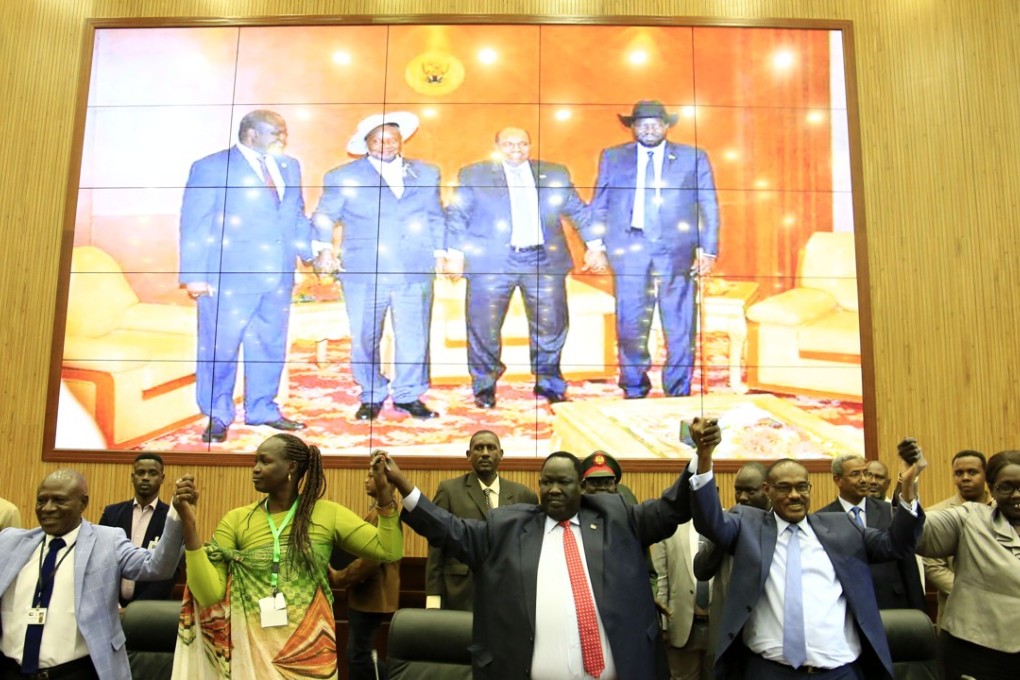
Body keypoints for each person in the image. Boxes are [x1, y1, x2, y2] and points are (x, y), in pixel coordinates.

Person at [378, 430, 711, 680]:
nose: (553, 489)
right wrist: (403, 485)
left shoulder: (619, 518)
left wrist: (702, 455)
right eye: (546, 482)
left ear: (581, 486)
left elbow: (672, 508)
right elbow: (449, 529)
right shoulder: (506, 528)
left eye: (563, 482)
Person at [690, 420, 927, 680]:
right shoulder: (749, 525)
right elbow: (709, 522)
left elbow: (896, 545)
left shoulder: (842, 528)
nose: (795, 495)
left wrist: (908, 485)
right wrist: (704, 455)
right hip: (768, 671)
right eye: (784, 488)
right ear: (767, 490)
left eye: (802, 487)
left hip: (839, 672)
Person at [171, 433, 403, 680]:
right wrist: (189, 525)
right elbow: (208, 594)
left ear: (291, 467)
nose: (256, 469)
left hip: (311, 655)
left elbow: (389, 550)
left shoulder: (327, 514)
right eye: (255, 462)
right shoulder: (237, 520)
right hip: (251, 655)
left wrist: (385, 496)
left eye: (265, 461)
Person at [179, 109, 312, 443]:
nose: (283, 139)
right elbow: (194, 223)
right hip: (227, 277)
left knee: (269, 344)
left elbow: (296, 215)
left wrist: (310, 254)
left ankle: (262, 408)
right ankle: (218, 414)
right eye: (276, 134)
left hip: (277, 275)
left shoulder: (289, 166)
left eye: (284, 133)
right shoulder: (211, 167)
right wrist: (194, 275)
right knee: (219, 347)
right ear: (252, 134)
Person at [445, 126, 598, 407]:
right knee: (484, 327)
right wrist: (454, 253)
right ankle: (485, 385)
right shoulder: (474, 174)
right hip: (492, 263)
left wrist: (595, 245)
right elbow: (457, 214)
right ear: (496, 145)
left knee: (551, 326)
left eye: (523, 144)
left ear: (530, 145)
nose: (516, 149)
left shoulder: (554, 173)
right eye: (508, 144)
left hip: (542, 261)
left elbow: (578, 210)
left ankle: (549, 383)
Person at [312, 112, 446, 422]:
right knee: (364, 337)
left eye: (391, 139)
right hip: (363, 271)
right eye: (377, 139)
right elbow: (324, 216)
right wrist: (323, 248)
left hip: (414, 270)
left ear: (401, 141)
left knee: (414, 336)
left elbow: (436, 215)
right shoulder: (341, 176)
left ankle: (409, 394)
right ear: (365, 143)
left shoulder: (426, 173)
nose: (385, 144)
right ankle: (371, 394)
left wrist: (441, 251)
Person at [587, 100, 720, 399]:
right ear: (633, 127)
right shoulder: (613, 156)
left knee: (680, 323)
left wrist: (708, 250)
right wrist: (595, 245)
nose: (649, 128)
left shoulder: (693, 157)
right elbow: (600, 203)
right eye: (642, 123)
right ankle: (634, 389)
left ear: (667, 126)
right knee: (631, 321)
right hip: (630, 248)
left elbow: (708, 205)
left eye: (656, 123)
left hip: (677, 251)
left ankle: (678, 392)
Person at [0, 469, 187, 680]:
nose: (48, 508)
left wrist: (177, 514)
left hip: (75, 672)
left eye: (59, 500)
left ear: (83, 503)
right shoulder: (9, 542)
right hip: (11, 671)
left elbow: (157, 566)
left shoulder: (108, 541)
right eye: (42, 500)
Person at [917, 449, 1020, 680]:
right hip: (976, 648)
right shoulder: (969, 516)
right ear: (992, 488)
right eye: (1006, 487)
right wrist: (907, 490)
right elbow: (917, 533)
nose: (1016, 495)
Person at [425, 430, 538, 611]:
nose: (485, 453)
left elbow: (531, 551)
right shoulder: (449, 491)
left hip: (508, 594)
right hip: (460, 593)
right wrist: (433, 596)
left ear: (501, 455)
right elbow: (436, 547)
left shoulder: (524, 495)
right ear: (469, 456)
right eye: (479, 448)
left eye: (491, 448)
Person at [817, 454, 926, 611]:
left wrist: (919, 610)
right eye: (855, 474)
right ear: (837, 480)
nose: (863, 480)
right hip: (845, 606)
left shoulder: (889, 511)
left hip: (891, 603)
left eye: (865, 473)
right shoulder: (822, 519)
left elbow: (907, 564)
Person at [328, 471, 401, 680]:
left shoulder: (384, 513)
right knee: (359, 654)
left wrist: (340, 577)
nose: (365, 480)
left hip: (372, 595)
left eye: (371, 476)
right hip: (369, 595)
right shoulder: (379, 511)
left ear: (387, 482)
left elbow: (370, 559)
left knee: (358, 656)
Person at [922, 449, 994, 629]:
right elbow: (934, 568)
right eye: (959, 473)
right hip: (958, 614)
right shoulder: (936, 514)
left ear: (985, 475)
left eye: (972, 472)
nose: (965, 478)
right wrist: (977, 593)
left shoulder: (1004, 510)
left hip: (1005, 613)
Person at [98, 452, 179, 606]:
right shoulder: (111, 514)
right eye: (140, 473)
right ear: (132, 477)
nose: (146, 477)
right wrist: (113, 604)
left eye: (152, 473)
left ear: (162, 478)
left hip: (151, 611)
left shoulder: (172, 519)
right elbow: (100, 560)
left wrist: (136, 610)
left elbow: (172, 571)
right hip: (111, 608)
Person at [652, 520, 714, 680]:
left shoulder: (728, 524)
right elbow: (661, 579)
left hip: (718, 627)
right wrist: (664, 626)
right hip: (681, 626)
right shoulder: (669, 527)